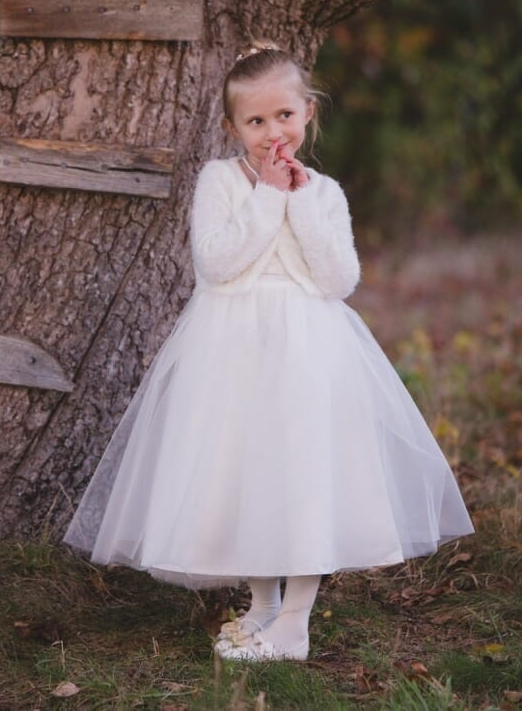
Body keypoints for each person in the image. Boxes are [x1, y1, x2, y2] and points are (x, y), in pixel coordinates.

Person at [62, 40, 474, 662]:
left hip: (310, 351)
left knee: (305, 474)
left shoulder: (325, 192)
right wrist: (267, 196)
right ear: (232, 127)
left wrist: (298, 198)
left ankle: (295, 625)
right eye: (255, 121)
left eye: (284, 116)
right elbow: (217, 263)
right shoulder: (220, 181)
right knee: (247, 473)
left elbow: (338, 279)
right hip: (233, 349)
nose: (271, 132)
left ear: (307, 114)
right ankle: (263, 604)